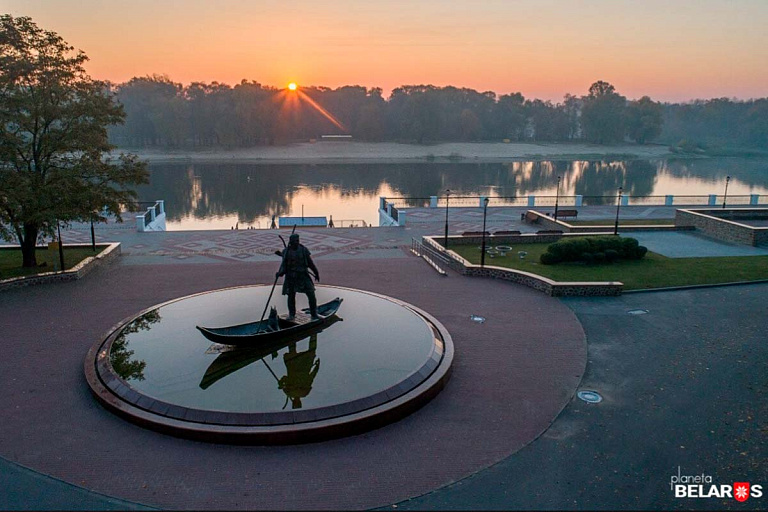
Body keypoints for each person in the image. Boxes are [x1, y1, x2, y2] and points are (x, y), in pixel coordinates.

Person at [276, 233, 320, 320]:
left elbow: (310, 263)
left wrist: (316, 273)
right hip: (291, 277)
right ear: (291, 242)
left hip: (303, 276)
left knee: (311, 293)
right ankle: (292, 314)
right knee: (291, 296)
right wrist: (279, 273)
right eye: (295, 241)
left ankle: (314, 314)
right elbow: (284, 266)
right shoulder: (286, 252)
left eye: (298, 240)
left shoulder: (303, 250)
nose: (297, 242)